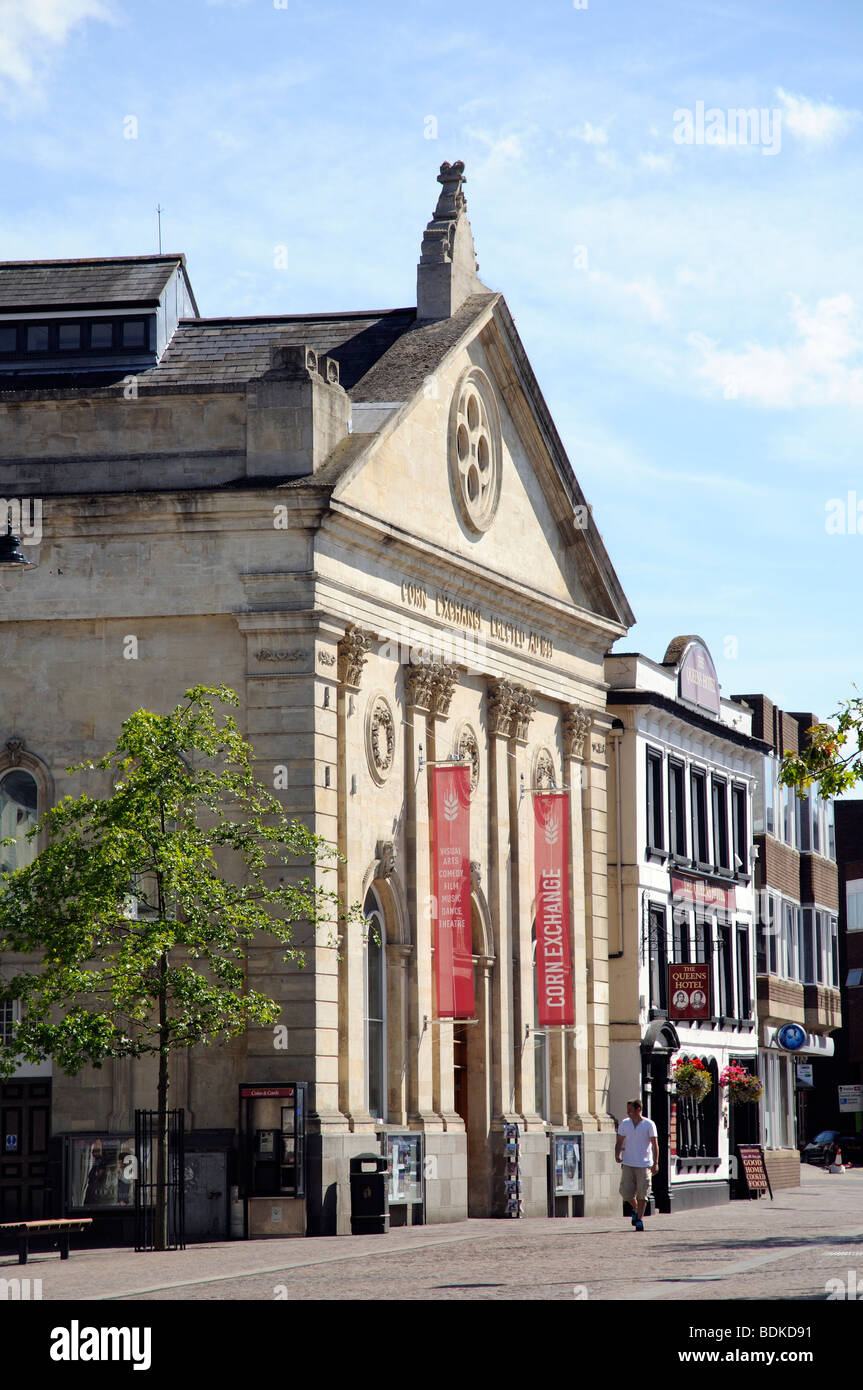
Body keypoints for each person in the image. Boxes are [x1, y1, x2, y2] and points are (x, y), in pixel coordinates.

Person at [615, 1098, 659, 1232]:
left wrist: (655, 1163)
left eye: (630, 1110)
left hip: (644, 1164)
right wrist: (617, 1154)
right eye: (627, 1110)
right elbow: (619, 1141)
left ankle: (639, 1219)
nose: (628, 1112)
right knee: (625, 1192)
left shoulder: (649, 1124)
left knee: (643, 1193)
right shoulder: (625, 1123)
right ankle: (635, 1209)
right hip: (628, 1162)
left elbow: (655, 1144)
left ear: (638, 1109)